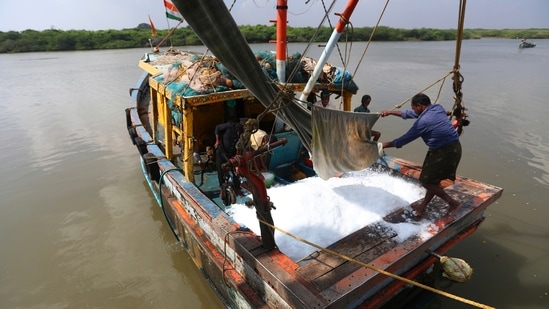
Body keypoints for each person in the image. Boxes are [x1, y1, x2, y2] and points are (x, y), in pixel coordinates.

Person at [380, 93, 462, 218]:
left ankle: (453, 203)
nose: (413, 110)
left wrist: (382, 145)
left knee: (426, 182)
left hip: (443, 152)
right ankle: (421, 207)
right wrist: (391, 112)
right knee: (433, 180)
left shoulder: (423, 122)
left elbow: (404, 139)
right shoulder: (437, 108)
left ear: (420, 106)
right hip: (455, 147)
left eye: (414, 107)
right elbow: (410, 114)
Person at [214, 118, 242, 194]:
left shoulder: (242, 132)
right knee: (220, 170)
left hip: (232, 152)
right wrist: (217, 141)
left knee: (235, 171)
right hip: (221, 152)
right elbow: (217, 128)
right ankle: (222, 188)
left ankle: (237, 187)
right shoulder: (228, 126)